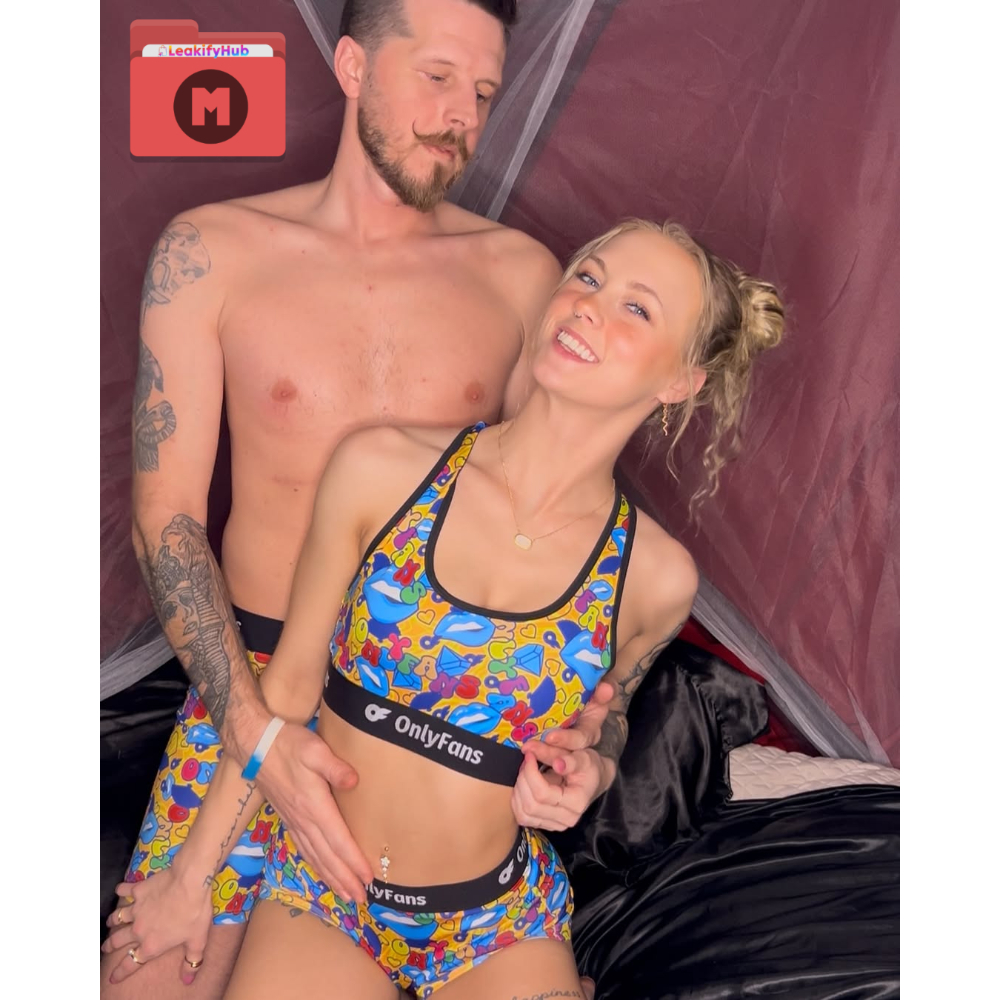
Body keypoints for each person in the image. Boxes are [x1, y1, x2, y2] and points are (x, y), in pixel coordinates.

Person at [102, 218, 786, 998]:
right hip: (324, 899)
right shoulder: (381, 469)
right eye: (588, 278)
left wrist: (592, 768)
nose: (590, 305)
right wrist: (191, 877)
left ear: (681, 382)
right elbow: (286, 689)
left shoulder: (656, 577)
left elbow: (613, 710)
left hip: (494, 925)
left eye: (637, 307)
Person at [102, 1, 617, 996]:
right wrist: (257, 740)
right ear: (350, 65)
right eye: (436, 76)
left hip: (424, 714)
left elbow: (563, 534)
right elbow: (165, 521)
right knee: (142, 979)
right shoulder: (209, 251)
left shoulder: (520, 278)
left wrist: (589, 742)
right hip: (250, 686)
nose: (461, 116)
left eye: (482, 93)